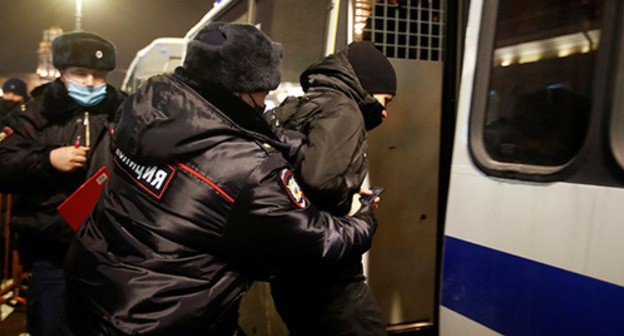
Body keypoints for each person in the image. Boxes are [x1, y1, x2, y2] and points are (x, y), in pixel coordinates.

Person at [63, 22, 378, 336]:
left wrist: (291, 144)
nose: (263, 104)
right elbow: (316, 242)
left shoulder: (143, 108)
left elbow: (225, 131)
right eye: (261, 95)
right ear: (239, 91)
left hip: (95, 288)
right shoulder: (245, 168)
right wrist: (364, 218)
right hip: (165, 317)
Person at [264, 40, 397, 335]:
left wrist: (347, 187)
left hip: (289, 270)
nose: (385, 113)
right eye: (386, 101)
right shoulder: (345, 111)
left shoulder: (302, 105)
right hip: (331, 279)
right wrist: (354, 206)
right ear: (366, 86)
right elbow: (320, 181)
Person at [0, 31, 125, 336]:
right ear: (61, 72)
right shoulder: (33, 114)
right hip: (52, 251)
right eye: (80, 74)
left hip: (111, 252)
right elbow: (3, 164)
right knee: (51, 323)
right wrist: (47, 160)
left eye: (99, 75)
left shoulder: (123, 112)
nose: (91, 82)